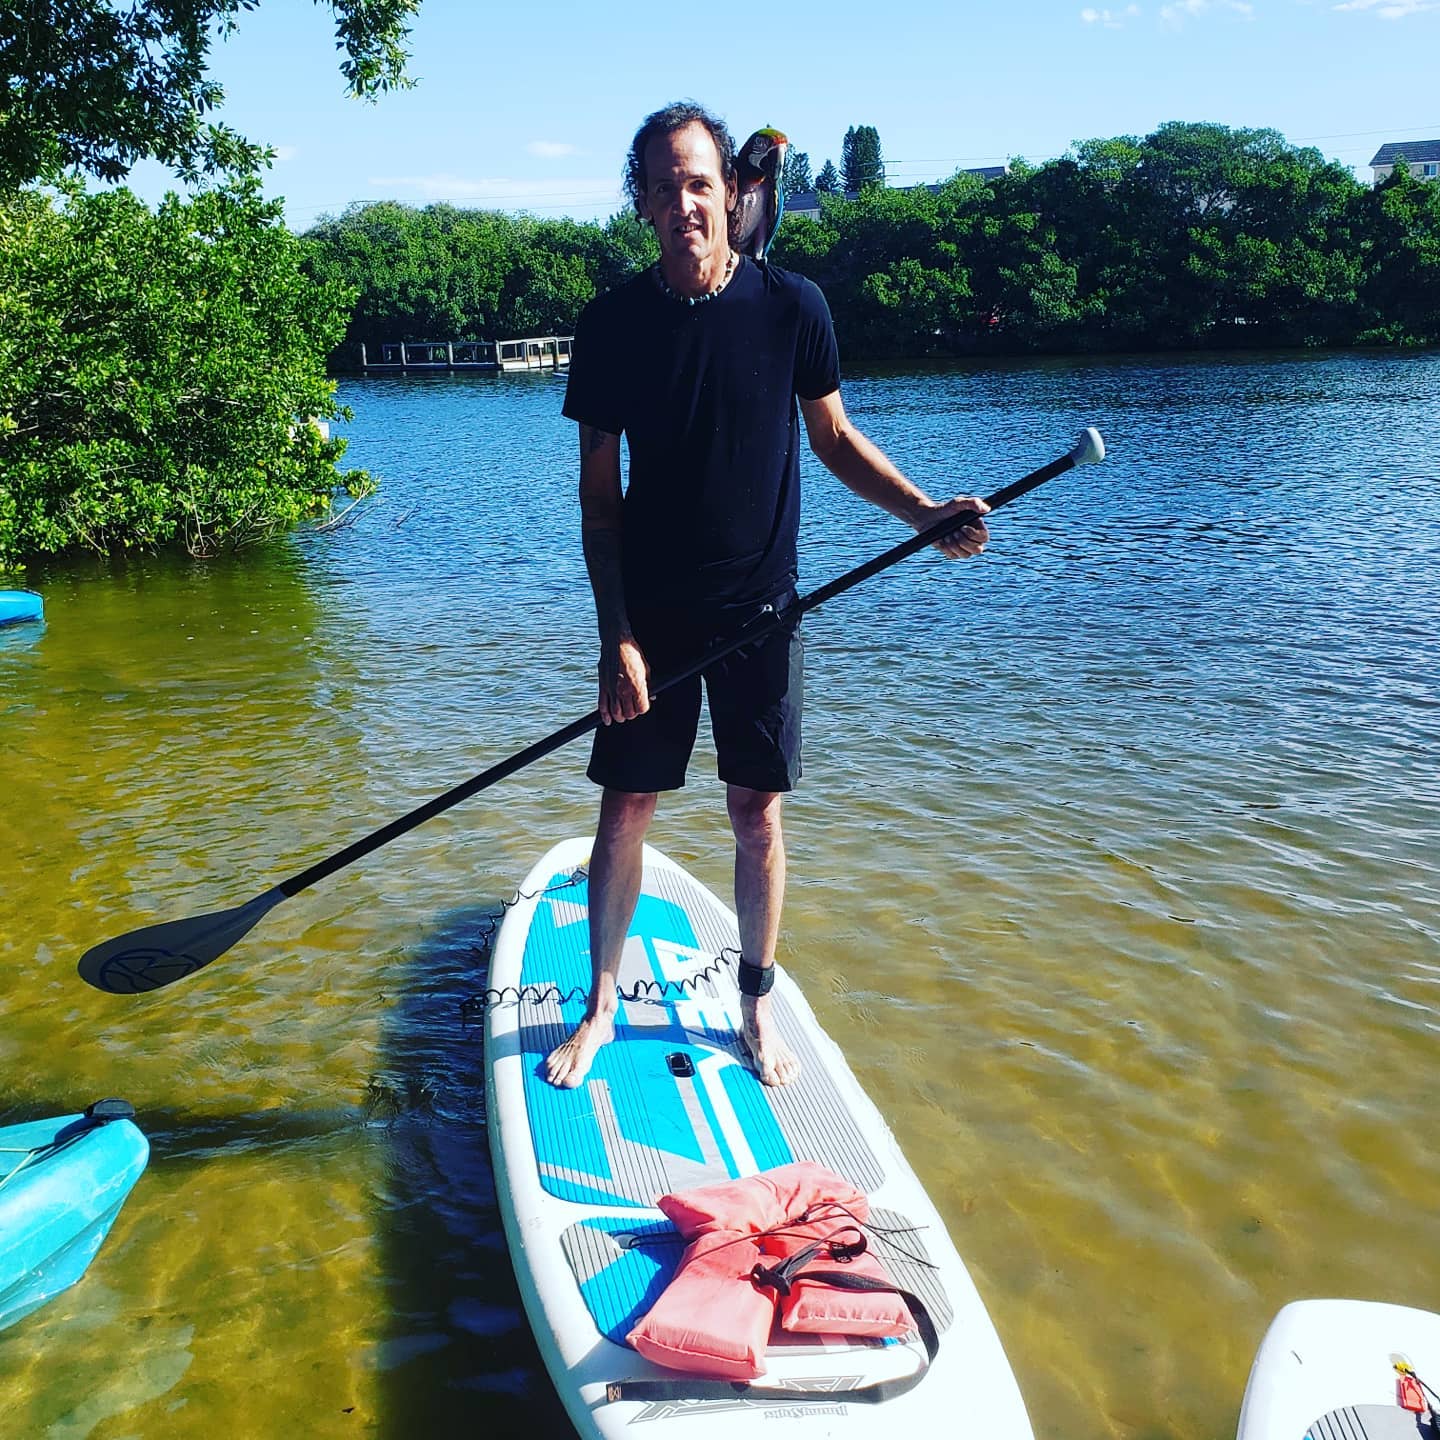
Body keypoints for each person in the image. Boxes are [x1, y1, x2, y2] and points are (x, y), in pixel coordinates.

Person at [545, 101, 988, 1091]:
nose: (684, 204)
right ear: (642, 203)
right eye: (664, 187)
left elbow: (832, 441)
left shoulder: (795, 308)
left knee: (759, 813)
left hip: (762, 613)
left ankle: (753, 1010)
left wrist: (923, 512)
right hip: (651, 623)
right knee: (627, 808)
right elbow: (598, 503)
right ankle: (602, 1009)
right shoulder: (611, 325)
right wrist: (616, 639)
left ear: (731, 192)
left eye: (700, 183)